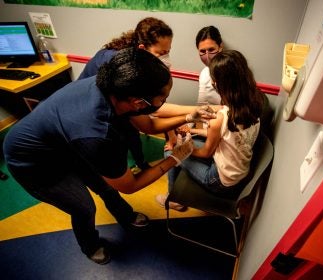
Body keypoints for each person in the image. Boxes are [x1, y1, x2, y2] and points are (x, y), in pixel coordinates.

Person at [3, 48, 214, 265]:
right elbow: (129, 185)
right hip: (33, 162)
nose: (164, 103)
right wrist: (176, 157)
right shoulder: (98, 134)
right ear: (138, 102)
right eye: (163, 98)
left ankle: (126, 216)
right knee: (84, 206)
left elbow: (150, 124)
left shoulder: (115, 85)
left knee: (104, 185)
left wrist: (188, 116)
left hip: (65, 142)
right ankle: (90, 245)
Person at [156, 50, 264, 210]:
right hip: (239, 173)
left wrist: (182, 148)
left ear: (216, 84)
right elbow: (225, 137)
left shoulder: (221, 117)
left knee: (170, 153)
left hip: (219, 181)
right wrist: (192, 132)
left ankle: (174, 200)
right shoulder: (255, 103)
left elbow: (206, 152)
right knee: (192, 142)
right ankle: (175, 196)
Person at [79, 17, 173, 172]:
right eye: (161, 53)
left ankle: (141, 163)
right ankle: (123, 171)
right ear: (142, 48)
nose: (165, 58)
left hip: (113, 101)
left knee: (132, 132)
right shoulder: (117, 61)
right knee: (122, 134)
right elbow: (150, 113)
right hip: (90, 107)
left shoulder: (138, 59)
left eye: (168, 52)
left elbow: (154, 102)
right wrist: (188, 116)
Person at [165, 26, 224, 150]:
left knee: (174, 152)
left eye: (211, 49)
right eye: (202, 51)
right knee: (174, 147)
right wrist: (187, 127)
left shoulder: (230, 74)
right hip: (207, 130)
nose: (207, 56)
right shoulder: (204, 74)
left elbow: (228, 117)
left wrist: (192, 130)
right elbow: (200, 107)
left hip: (221, 135)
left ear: (220, 47)